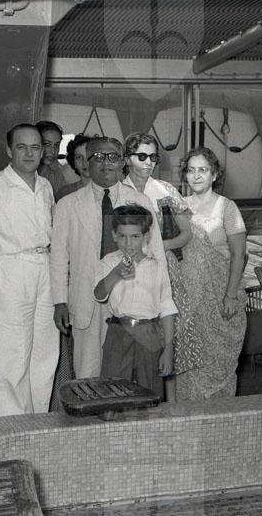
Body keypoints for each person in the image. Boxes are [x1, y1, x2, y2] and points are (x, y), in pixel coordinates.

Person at [50, 136, 171, 379]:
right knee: (87, 373)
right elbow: (58, 258)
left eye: (113, 157)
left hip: (132, 303)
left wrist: (160, 307)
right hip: (86, 299)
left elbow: (156, 254)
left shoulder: (140, 202)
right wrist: (59, 301)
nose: (106, 163)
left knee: (129, 378)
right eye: (98, 157)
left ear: (123, 162)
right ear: (87, 163)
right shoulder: (67, 205)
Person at [0, 123, 59, 416]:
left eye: (35, 147)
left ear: (42, 151)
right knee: (10, 357)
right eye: (21, 147)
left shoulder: (45, 186)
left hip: (43, 267)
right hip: (7, 271)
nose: (29, 154)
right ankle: (12, 427)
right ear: (8, 150)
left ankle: (37, 423)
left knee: (44, 354)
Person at [122, 131, 192, 400]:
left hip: (164, 267)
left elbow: (186, 233)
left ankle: (170, 402)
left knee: (166, 334)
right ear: (127, 158)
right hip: (127, 268)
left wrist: (160, 247)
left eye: (153, 157)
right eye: (142, 156)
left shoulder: (165, 191)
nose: (148, 163)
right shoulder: (117, 191)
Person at [175, 147, 247, 400]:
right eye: (191, 170)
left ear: (214, 174)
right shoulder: (178, 207)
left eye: (203, 170)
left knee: (219, 363)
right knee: (189, 363)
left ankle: (220, 417)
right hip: (188, 301)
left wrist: (230, 296)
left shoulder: (227, 208)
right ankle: (189, 417)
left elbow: (239, 254)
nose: (196, 176)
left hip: (220, 299)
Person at [94, 204, 178, 396]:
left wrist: (168, 350)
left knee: (149, 391)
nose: (128, 243)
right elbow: (98, 294)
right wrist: (115, 273)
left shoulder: (157, 267)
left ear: (146, 236)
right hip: (118, 332)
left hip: (149, 333)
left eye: (135, 237)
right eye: (122, 236)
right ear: (114, 235)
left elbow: (167, 309)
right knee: (112, 391)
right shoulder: (108, 262)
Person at [56, 133, 92, 201]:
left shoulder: (110, 190)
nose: (85, 162)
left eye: (88, 156)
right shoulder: (64, 193)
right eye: (79, 157)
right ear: (74, 162)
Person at [36, 120, 67, 198]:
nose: (53, 151)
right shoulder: (23, 174)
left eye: (56, 145)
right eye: (47, 144)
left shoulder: (57, 178)